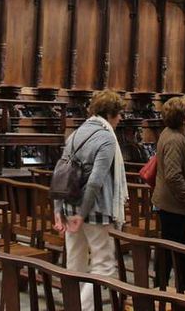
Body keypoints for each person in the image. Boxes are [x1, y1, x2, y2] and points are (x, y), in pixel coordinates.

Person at [53, 90, 128, 311]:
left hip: (69, 206)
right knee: (104, 266)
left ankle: (72, 305)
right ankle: (81, 308)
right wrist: (82, 214)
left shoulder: (75, 133)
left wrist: (60, 210)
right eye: (119, 114)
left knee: (74, 263)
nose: (121, 118)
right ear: (111, 113)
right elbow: (95, 181)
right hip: (94, 211)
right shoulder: (106, 138)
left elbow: (60, 174)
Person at [152, 95, 185, 292]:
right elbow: (174, 176)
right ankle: (168, 289)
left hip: (176, 205)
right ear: (184, 118)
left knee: (179, 249)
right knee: (176, 251)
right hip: (175, 206)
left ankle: (176, 288)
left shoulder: (177, 134)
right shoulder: (174, 139)